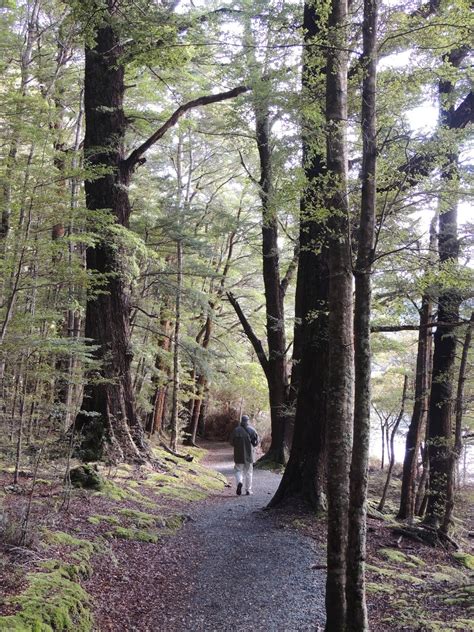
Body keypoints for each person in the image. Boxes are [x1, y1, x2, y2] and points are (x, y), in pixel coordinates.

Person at [229, 415, 259, 496]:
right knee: (249, 472)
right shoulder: (253, 430)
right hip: (250, 456)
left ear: (241, 421)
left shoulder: (236, 430)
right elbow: (256, 443)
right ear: (248, 421)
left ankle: (240, 482)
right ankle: (248, 490)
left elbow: (231, 442)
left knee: (238, 470)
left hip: (239, 455)